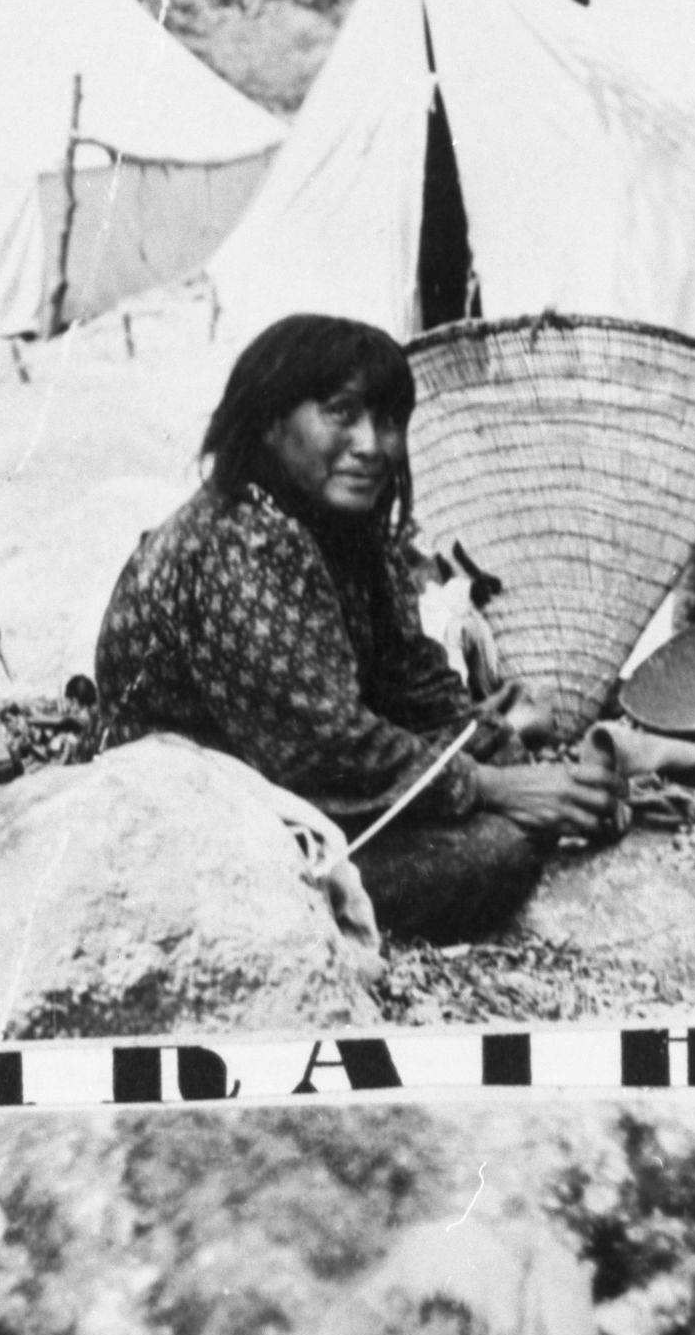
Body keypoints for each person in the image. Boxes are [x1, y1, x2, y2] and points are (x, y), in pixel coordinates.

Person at [94, 314, 618, 941]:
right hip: (204, 819)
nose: (372, 445)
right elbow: (323, 747)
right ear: (269, 422)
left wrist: (514, 761)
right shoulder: (238, 541)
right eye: (341, 413)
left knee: (525, 811)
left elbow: (413, 683)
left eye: (389, 420)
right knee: (496, 851)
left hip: (302, 784)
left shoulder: (347, 525)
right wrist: (492, 786)